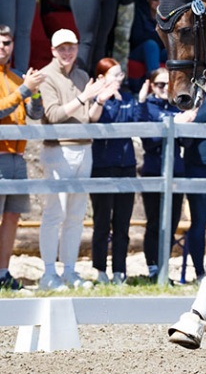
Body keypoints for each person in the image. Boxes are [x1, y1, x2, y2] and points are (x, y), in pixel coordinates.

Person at [39, 28, 107, 290]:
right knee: (55, 212)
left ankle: (69, 270)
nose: (67, 52)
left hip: (83, 147)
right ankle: (48, 273)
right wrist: (84, 97)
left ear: (77, 48)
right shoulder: (46, 76)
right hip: (59, 149)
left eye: (71, 47)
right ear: (53, 51)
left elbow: (89, 116)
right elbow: (53, 115)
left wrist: (99, 99)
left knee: (76, 214)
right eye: (62, 48)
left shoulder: (81, 75)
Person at [90, 58, 149, 284]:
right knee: (102, 221)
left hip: (126, 166)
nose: (119, 79)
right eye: (115, 75)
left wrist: (141, 99)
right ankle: (100, 270)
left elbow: (137, 121)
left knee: (122, 223)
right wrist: (101, 100)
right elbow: (91, 119)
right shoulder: (98, 99)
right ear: (102, 77)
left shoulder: (126, 98)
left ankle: (119, 271)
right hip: (102, 166)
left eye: (120, 75)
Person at [0, 24, 45, 290]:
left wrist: (35, 91)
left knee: (13, 217)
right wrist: (24, 90)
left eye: (7, 43)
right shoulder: (19, 84)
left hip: (18, 157)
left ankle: (3, 272)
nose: (3, 47)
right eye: (0, 42)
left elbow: (36, 114)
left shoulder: (18, 77)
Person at [141, 67, 196, 282]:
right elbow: (149, 140)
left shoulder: (174, 107)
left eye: (168, 84)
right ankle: (153, 267)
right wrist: (174, 124)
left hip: (176, 170)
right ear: (152, 86)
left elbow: (186, 142)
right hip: (154, 170)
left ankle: (164, 266)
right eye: (160, 85)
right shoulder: (148, 107)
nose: (164, 88)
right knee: (155, 222)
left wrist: (187, 123)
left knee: (172, 223)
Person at [183, 77, 206, 282]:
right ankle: (199, 271)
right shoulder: (190, 93)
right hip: (195, 164)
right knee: (198, 221)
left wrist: (193, 116)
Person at [128, 0, 166, 90]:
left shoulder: (168, 15)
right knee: (151, 45)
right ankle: (157, 84)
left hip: (159, 51)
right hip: (139, 50)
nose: (159, 3)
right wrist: (157, 35)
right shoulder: (139, 12)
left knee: (171, 51)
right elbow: (137, 37)